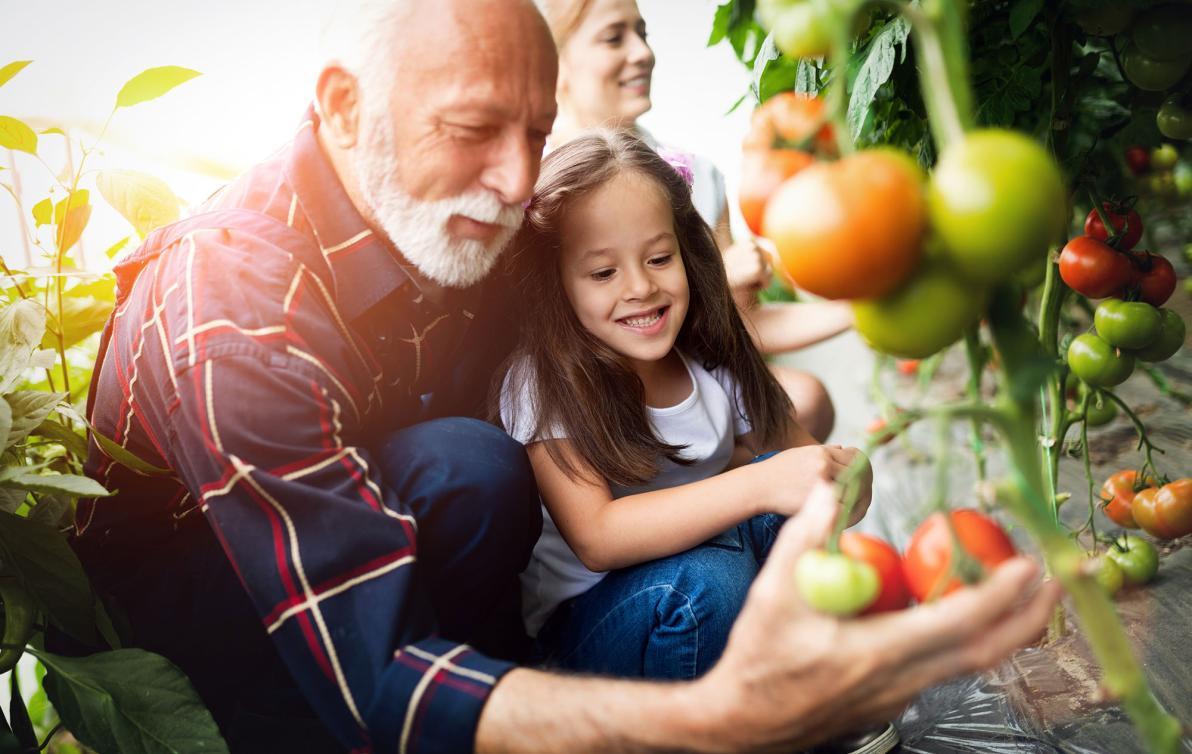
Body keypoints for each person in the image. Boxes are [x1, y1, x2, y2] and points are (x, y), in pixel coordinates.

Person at [69, 1, 1061, 753]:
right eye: (471, 128)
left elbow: (661, 311)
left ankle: (536, 677)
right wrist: (717, 715)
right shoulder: (234, 311)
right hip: (233, 598)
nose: (513, 179)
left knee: (470, 466)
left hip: (404, 510)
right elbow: (376, 665)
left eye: (536, 132)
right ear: (342, 105)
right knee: (498, 501)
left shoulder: (481, 218)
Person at [497, 130, 868, 681]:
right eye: (603, 272)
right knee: (704, 582)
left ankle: (791, 692)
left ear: (686, 252)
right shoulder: (542, 382)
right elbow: (598, 537)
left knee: (783, 512)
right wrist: (762, 484)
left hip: (708, 587)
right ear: (557, 282)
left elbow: (808, 471)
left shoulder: (711, 359)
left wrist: (844, 481)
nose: (641, 287)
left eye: (658, 258)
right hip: (592, 634)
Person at [538, 0, 853, 441]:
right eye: (614, 37)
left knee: (806, 399)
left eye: (643, 34)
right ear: (555, 64)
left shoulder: (699, 177)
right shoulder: (535, 191)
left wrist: (862, 309)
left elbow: (743, 324)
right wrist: (716, 280)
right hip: (593, 408)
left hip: (691, 391)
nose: (643, 53)